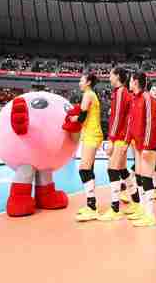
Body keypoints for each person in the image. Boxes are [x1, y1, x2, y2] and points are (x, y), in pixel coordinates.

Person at [124, 71, 156, 227]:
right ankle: (143, 209)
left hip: (149, 144)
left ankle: (150, 215)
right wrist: (126, 142)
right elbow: (131, 123)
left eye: (130, 81)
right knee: (139, 176)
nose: (129, 83)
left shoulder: (146, 97)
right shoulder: (134, 98)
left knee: (146, 177)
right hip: (139, 144)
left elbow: (150, 122)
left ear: (136, 82)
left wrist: (146, 145)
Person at [98, 67, 135, 221]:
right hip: (123, 136)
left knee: (112, 169)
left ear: (117, 76)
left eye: (111, 74)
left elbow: (118, 118)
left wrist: (111, 139)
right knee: (122, 170)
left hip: (119, 137)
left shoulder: (120, 93)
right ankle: (136, 202)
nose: (109, 77)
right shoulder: (122, 93)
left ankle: (115, 209)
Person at [72, 73, 104, 222]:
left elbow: (82, 117)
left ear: (88, 82)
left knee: (84, 169)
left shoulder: (88, 94)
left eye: (81, 80)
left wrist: (73, 119)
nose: (79, 83)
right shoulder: (91, 95)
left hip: (92, 135)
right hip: (91, 134)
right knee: (88, 169)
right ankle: (91, 205)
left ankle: (92, 208)